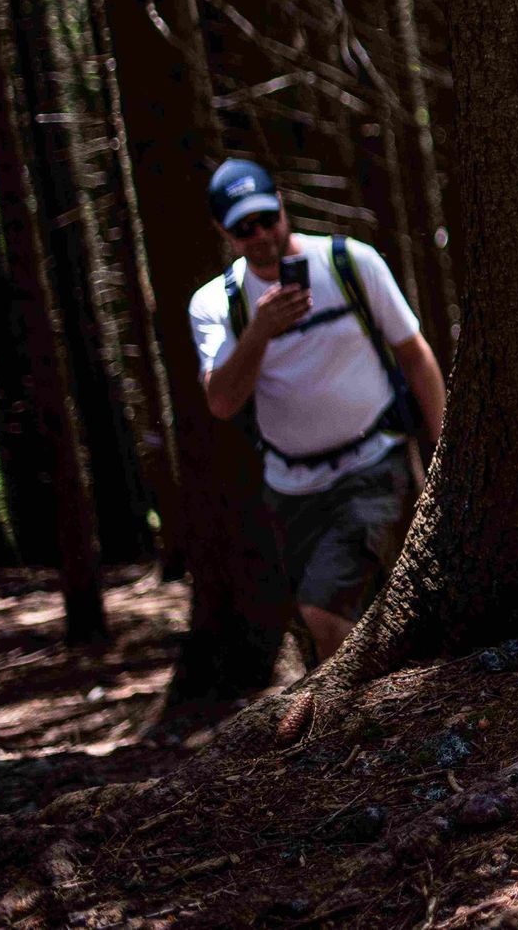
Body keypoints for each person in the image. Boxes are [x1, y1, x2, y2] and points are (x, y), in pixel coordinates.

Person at [189, 159, 448, 660]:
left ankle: (372, 705)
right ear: (223, 231)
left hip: (374, 464)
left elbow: (414, 355)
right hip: (291, 489)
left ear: (281, 204)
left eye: (267, 219)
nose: (261, 235)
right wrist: (259, 332)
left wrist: (443, 449)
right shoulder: (215, 304)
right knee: (323, 625)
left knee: (324, 608)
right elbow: (222, 401)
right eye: (244, 228)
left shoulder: (350, 263)